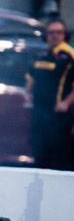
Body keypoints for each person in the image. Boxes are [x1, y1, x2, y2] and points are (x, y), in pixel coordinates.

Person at [25, 18, 74, 170]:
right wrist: (27, 92)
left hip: (57, 113)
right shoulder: (42, 53)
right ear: (46, 35)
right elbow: (30, 75)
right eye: (51, 32)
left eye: (59, 32)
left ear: (64, 35)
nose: (55, 36)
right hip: (39, 110)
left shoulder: (69, 54)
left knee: (56, 153)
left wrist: (66, 103)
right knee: (38, 150)